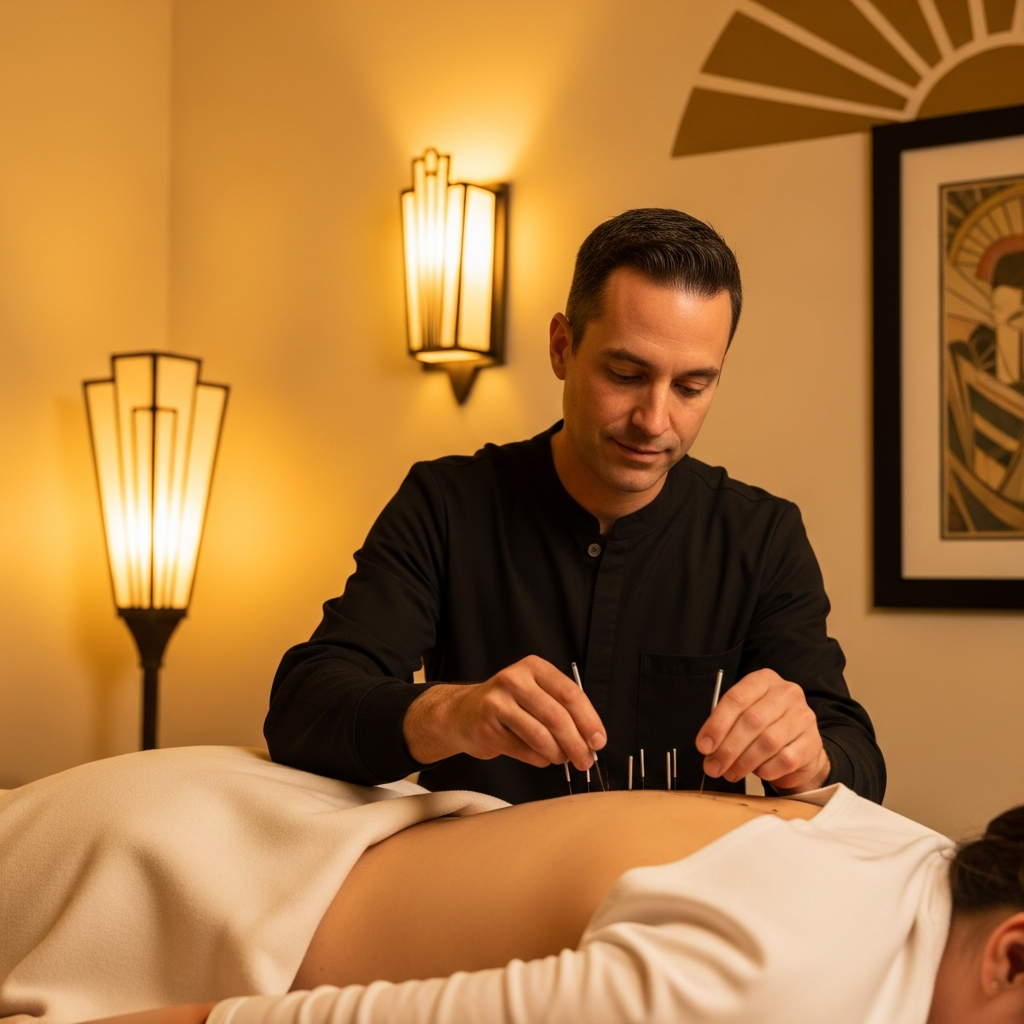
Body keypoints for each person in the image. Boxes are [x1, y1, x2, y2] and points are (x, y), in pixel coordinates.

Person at [265, 208, 885, 804]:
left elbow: (857, 761)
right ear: (563, 347)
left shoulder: (762, 536)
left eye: (691, 386)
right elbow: (304, 707)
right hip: (479, 870)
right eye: (626, 374)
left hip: (685, 875)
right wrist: (451, 712)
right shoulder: (446, 505)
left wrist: (810, 759)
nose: (654, 420)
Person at [0, 747, 1021, 1024]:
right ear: (1011, 953)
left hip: (264, 828)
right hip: (162, 899)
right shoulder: (780, 978)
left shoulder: (914, 857)